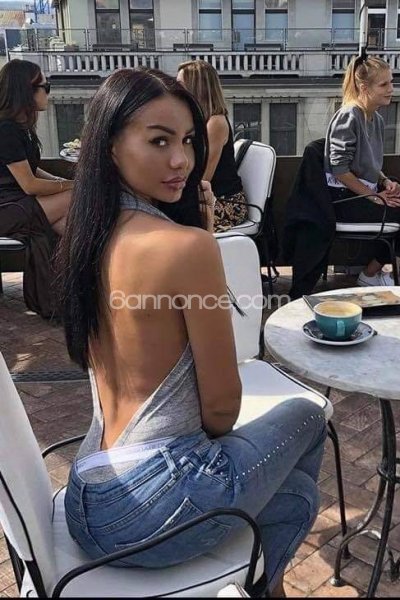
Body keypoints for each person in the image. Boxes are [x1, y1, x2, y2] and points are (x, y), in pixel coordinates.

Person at [58, 67, 326, 597]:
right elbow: (221, 411)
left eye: (186, 140)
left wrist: (197, 234)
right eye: (158, 141)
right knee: (309, 416)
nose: (181, 160)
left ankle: (264, 587)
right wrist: (202, 243)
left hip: (85, 496)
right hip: (149, 510)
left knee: (295, 494)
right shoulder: (184, 248)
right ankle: (263, 586)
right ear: (110, 146)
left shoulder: (88, 234)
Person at [0, 59, 72, 318]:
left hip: (15, 204)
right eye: (45, 87)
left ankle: (72, 288)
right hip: (7, 210)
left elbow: (32, 169)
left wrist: (59, 181)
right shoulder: (6, 130)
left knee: (68, 225)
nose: (48, 92)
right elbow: (29, 184)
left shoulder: (20, 128)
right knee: (76, 198)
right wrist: (71, 184)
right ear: (26, 91)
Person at [325, 53, 400, 286]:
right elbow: (339, 170)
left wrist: (385, 181)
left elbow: (369, 164)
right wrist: (374, 197)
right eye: (384, 84)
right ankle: (373, 276)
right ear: (364, 87)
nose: (391, 89)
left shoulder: (376, 119)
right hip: (344, 200)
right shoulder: (349, 116)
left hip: (364, 194)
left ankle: (373, 275)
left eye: (391, 82)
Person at [177, 59, 248, 233]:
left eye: (180, 85)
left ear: (196, 88)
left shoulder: (216, 123)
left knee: (170, 218)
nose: (176, 90)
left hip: (226, 203)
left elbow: (204, 178)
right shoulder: (196, 121)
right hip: (205, 198)